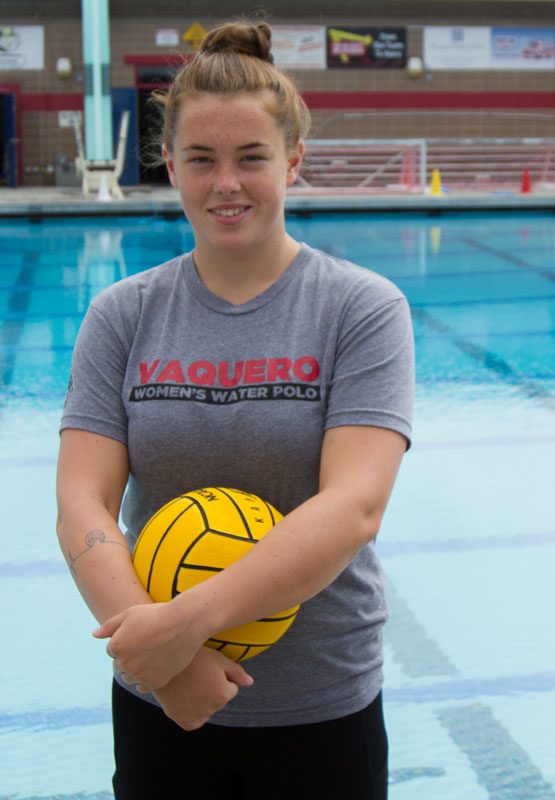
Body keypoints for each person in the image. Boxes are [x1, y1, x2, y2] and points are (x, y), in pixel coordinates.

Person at [55, 20, 413, 800]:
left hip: (321, 707)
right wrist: (164, 669)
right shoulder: (122, 314)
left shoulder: (361, 308)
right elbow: (81, 503)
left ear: (292, 161)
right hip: (160, 705)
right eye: (201, 159)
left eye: (251, 158)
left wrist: (185, 627)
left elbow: (354, 505)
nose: (227, 183)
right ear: (170, 166)